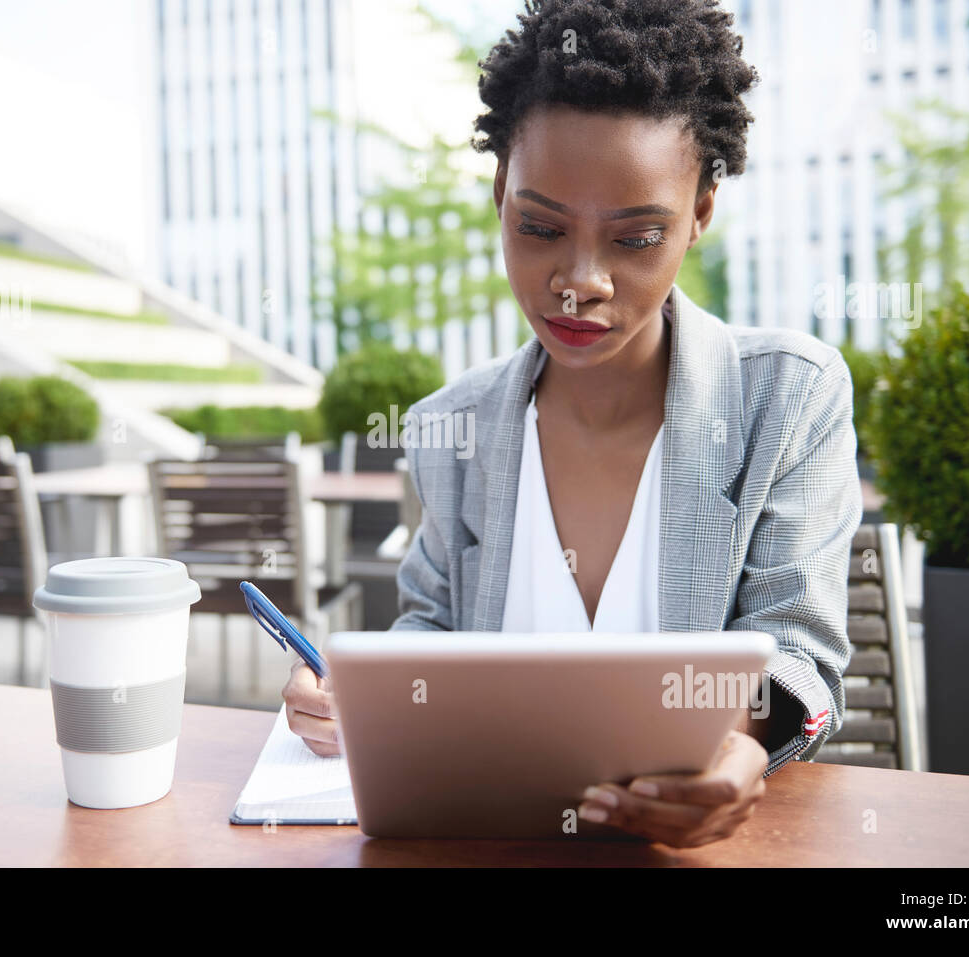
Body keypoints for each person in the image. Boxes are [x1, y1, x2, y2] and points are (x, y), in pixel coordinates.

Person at [283, 0, 862, 850]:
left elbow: (798, 651)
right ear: (498, 195)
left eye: (636, 239)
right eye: (541, 227)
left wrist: (739, 747)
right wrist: (353, 697)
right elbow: (430, 629)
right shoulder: (453, 426)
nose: (579, 282)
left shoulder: (789, 398)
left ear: (701, 212)